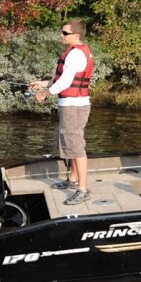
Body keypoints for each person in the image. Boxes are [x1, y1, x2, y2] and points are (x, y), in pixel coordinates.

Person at [30, 18, 94, 205]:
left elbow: (65, 82)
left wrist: (44, 94)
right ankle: (73, 179)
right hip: (74, 104)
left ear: (76, 35)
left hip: (73, 106)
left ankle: (83, 190)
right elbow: (64, 79)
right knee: (72, 143)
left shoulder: (75, 55)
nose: (62, 35)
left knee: (76, 146)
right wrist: (43, 83)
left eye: (65, 33)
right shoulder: (77, 52)